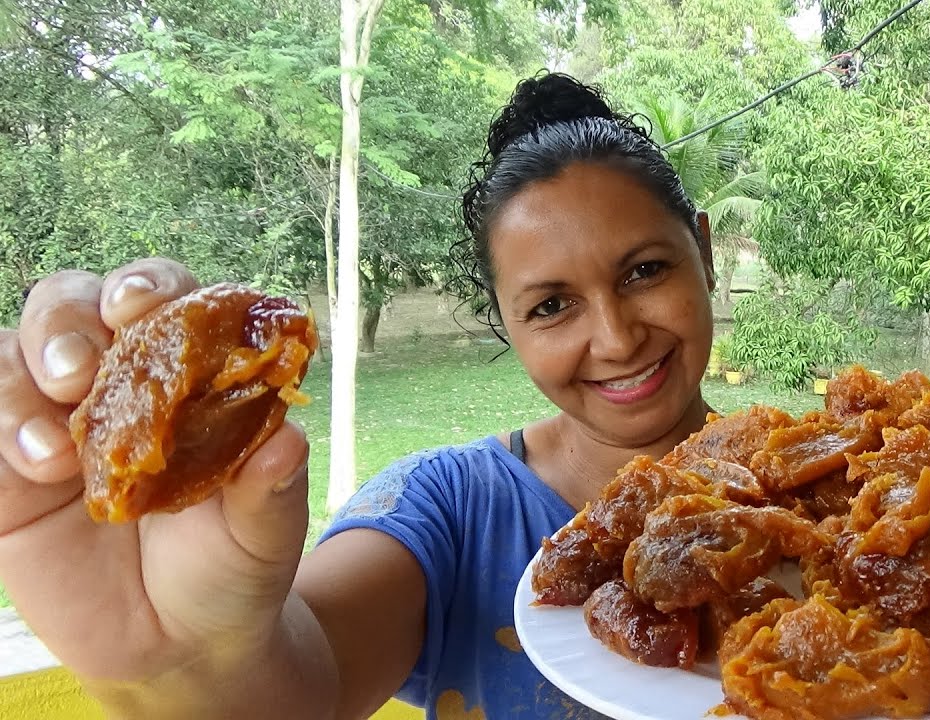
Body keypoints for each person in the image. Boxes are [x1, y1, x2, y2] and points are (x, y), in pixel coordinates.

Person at [0, 72, 719, 719]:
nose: (617, 338)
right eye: (552, 306)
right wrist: (187, 663)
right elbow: (301, 683)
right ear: (507, 322)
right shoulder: (450, 509)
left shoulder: (828, 486)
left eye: (645, 270)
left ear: (705, 254)